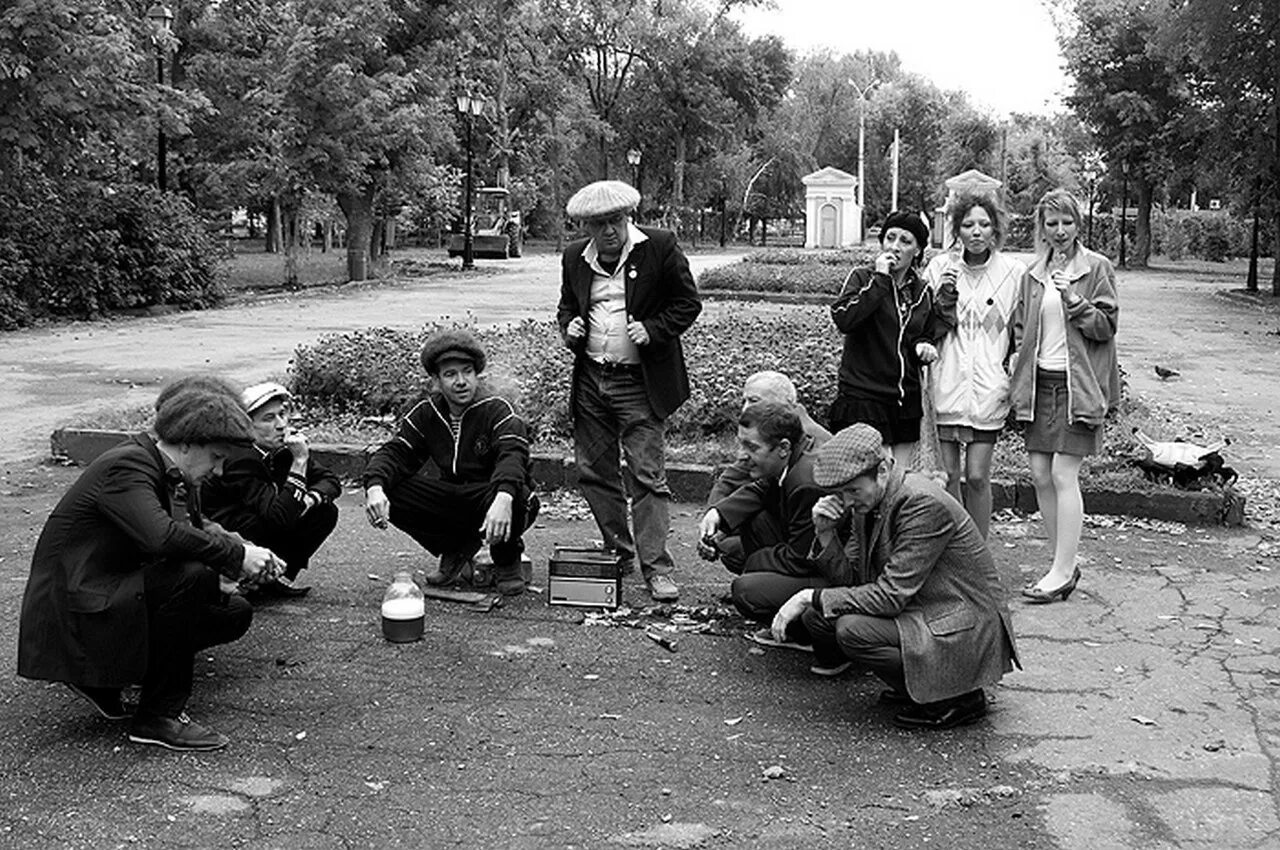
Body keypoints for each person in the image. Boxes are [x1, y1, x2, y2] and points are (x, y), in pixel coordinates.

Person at [17, 390, 283, 752]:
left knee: (231, 611)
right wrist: (234, 556)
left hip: (104, 592)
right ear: (188, 443)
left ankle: (104, 678)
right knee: (190, 576)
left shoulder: (171, 471)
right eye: (216, 457)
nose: (218, 469)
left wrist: (240, 557)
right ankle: (158, 716)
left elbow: (192, 530)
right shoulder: (127, 465)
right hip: (71, 614)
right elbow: (162, 537)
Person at [771, 424, 1020, 729]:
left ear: (883, 470)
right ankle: (921, 687)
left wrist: (809, 595)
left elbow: (889, 597)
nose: (847, 501)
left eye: (852, 491)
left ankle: (958, 697)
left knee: (851, 629)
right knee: (819, 618)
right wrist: (824, 534)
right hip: (923, 605)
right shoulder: (870, 501)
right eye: (840, 493)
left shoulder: (921, 502)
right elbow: (852, 581)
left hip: (963, 623)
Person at [557, 180, 702, 602]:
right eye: (598, 224)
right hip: (591, 380)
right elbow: (568, 305)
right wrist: (570, 326)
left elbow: (687, 303)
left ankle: (656, 568)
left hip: (639, 382)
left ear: (628, 218)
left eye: (615, 221)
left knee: (647, 476)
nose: (608, 231)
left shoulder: (658, 246)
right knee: (595, 472)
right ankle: (617, 552)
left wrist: (653, 329)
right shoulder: (573, 258)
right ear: (586, 226)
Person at [363, 329, 538, 597]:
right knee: (392, 488)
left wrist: (503, 498)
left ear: (476, 373)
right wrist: (375, 486)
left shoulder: (498, 409)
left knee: (518, 494)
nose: (461, 381)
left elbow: (513, 454)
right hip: (454, 496)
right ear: (436, 380)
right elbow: (396, 452)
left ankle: (506, 558)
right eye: (450, 374)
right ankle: (456, 548)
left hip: (492, 494)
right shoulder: (427, 413)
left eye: (467, 372)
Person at [1010, 188, 1119, 603]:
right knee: (1040, 475)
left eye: (1067, 222)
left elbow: (1106, 327)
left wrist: (1075, 302)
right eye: (1051, 223)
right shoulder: (1033, 273)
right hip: (1040, 385)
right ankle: (1064, 564)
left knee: (1062, 474)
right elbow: (1021, 326)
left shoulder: (1096, 268)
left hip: (1079, 386)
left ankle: (1059, 572)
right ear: (1042, 226)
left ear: (1078, 224)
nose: (1059, 231)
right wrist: (1016, 363)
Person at [701, 402, 848, 649]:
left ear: (783, 447)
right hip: (807, 554)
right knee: (747, 529)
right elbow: (762, 488)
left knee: (746, 591)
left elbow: (802, 559)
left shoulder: (806, 482)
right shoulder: (795, 454)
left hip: (833, 575)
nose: (742, 455)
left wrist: (751, 562)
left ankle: (807, 635)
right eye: (741, 444)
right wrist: (718, 514)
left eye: (751, 447)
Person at [921, 193, 1025, 538]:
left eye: (983, 224)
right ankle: (956, 551)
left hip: (988, 387)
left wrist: (1013, 365)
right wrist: (944, 295)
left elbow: (1021, 328)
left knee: (978, 475)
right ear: (957, 230)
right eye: (968, 225)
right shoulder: (939, 268)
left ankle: (979, 552)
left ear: (995, 228)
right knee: (948, 476)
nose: (976, 231)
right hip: (946, 383)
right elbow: (925, 325)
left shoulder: (1013, 272)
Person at [830, 211, 956, 468]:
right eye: (890, 238)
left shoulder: (922, 292)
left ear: (918, 249)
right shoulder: (863, 278)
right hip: (864, 397)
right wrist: (880, 280)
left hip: (904, 401)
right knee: (873, 475)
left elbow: (925, 332)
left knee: (900, 478)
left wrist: (924, 345)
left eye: (905, 241)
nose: (895, 247)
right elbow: (845, 319)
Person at [201, 382, 341, 598]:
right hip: (226, 532)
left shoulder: (282, 448)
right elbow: (279, 517)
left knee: (325, 511)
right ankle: (244, 577)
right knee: (277, 516)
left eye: (282, 414)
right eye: (268, 418)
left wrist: (309, 500)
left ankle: (273, 578)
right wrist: (300, 462)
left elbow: (330, 480)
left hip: (264, 518)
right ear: (246, 426)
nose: (281, 425)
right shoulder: (240, 457)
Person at [699, 371, 832, 573]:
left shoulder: (812, 442)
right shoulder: (765, 429)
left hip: (807, 543)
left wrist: (752, 559)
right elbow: (731, 481)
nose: (745, 408)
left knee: (740, 565)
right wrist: (715, 519)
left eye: (754, 401)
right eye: (744, 400)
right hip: (788, 526)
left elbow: (803, 553)